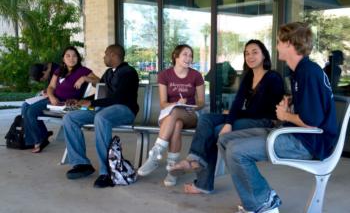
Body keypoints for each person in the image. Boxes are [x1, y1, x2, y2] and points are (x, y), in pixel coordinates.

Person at [218, 22, 338, 213]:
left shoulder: (308, 72)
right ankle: (257, 199)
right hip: (296, 134)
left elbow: (312, 122)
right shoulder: (300, 71)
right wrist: (290, 105)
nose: (276, 46)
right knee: (225, 140)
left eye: (279, 42)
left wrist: (285, 115)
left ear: (289, 43)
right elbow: (312, 109)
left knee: (236, 151)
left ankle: (265, 204)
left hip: (309, 143)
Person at [169, 39, 285, 194]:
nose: (250, 56)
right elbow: (238, 102)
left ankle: (203, 183)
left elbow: (263, 110)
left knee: (216, 130)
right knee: (206, 119)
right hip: (248, 117)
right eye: (247, 53)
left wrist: (231, 118)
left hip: (264, 121)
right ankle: (194, 159)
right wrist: (231, 118)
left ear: (264, 55)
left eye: (255, 52)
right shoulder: (248, 76)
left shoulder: (273, 77)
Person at [63, 44, 139, 188]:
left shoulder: (129, 72)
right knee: (70, 118)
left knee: (101, 118)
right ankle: (81, 164)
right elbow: (101, 93)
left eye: (105, 54)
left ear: (113, 55)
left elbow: (118, 98)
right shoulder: (109, 73)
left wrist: (91, 102)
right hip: (104, 109)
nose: (103, 57)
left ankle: (107, 172)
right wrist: (82, 101)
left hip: (124, 110)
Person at [137, 44, 205, 187]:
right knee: (177, 123)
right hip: (168, 114)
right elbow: (163, 103)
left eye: (190, 55)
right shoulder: (165, 75)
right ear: (176, 56)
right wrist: (175, 104)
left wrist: (193, 106)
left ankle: (155, 154)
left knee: (176, 113)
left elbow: (201, 102)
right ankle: (171, 169)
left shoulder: (196, 75)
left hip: (190, 114)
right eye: (185, 55)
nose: (189, 58)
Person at [22, 46, 99, 153]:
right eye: (68, 56)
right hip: (54, 101)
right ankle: (39, 138)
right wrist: (52, 97)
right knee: (27, 109)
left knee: (30, 111)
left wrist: (85, 78)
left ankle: (39, 140)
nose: (71, 58)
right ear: (63, 59)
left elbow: (99, 81)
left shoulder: (83, 71)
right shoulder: (59, 70)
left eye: (74, 56)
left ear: (78, 58)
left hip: (68, 103)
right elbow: (51, 87)